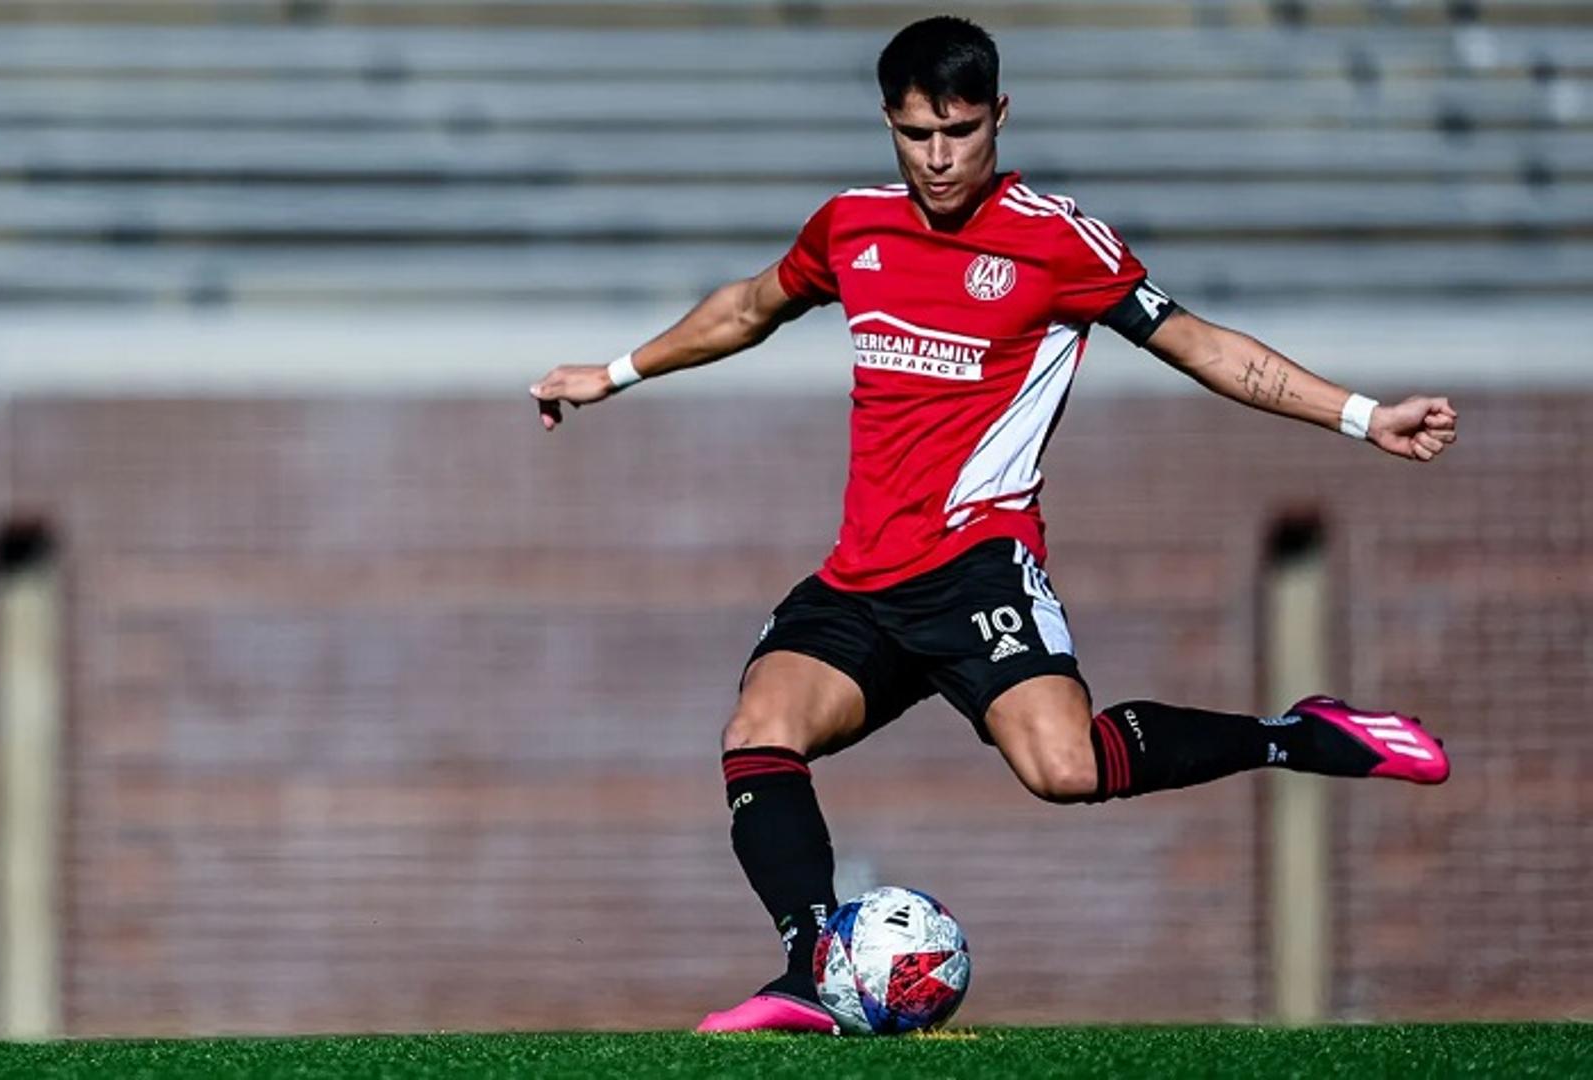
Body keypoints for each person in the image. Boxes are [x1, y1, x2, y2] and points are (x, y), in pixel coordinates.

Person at [527, 15, 1458, 1034]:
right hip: (860, 580)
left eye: (960, 132)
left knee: (1065, 770)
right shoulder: (851, 226)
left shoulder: (1058, 241)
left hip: (979, 567)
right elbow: (748, 306)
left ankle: (1293, 734)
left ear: (998, 117)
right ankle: (813, 971)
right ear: (888, 121)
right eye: (917, 134)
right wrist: (613, 374)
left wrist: (1364, 416)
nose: (938, 158)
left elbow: (1201, 345)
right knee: (759, 729)